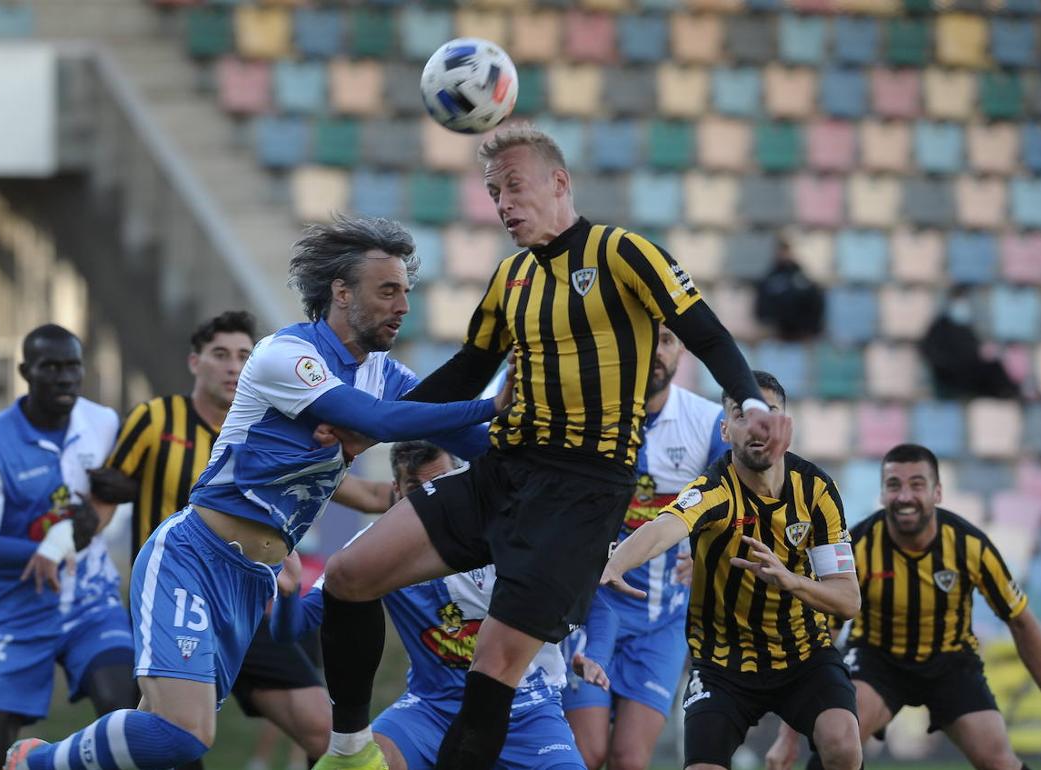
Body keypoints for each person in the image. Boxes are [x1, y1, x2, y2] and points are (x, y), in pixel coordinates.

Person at [312, 123, 780, 770]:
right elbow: (467, 373)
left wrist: (750, 401)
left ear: (560, 183)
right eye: (492, 192)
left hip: (582, 495)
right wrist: (373, 424)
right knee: (349, 576)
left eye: (514, 186)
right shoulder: (511, 278)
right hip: (502, 472)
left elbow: (707, 332)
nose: (502, 204)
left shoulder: (623, 253)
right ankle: (349, 752)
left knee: (493, 666)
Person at [4, 214, 510, 770]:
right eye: (387, 291)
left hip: (251, 582)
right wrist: (492, 402)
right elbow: (384, 420)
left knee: (163, 742)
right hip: (194, 558)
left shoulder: (382, 371)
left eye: (406, 293)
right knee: (183, 736)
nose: (403, 307)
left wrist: (537, 455)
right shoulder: (286, 355)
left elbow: (453, 430)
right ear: (342, 293)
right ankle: (37, 762)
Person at [87, 310, 331, 770]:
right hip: (176, 596)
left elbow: (346, 488)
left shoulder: (269, 430)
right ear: (195, 362)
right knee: (175, 746)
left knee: (324, 728)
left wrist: (406, 499)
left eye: (244, 356)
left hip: (247, 603)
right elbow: (105, 494)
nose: (234, 367)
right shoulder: (156, 418)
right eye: (220, 355)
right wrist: (64, 545)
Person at [272, 441, 606, 770]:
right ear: (397, 492)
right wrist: (287, 594)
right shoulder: (370, 555)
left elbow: (602, 604)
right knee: (369, 764)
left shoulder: (517, 536)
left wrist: (597, 655)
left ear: (462, 481)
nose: (432, 502)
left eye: (441, 485)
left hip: (528, 713)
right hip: (431, 712)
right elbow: (291, 630)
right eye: (417, 490)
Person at [600, 371, 863, 770]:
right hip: (723, 664)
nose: (757, 426)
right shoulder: (713, 489)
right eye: (742, 415)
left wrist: (790, 580)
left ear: (785, 425)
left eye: (768, 414)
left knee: (842, 742)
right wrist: (615, 564)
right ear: (725, 429)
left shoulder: (816, 490)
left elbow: (848, 600)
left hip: (803, 656)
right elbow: (662, 528)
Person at [764, 443, 1041, 770]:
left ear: (937, 493)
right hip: (878, 660)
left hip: (951, 660)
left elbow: (1022, 623)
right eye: (894, 485)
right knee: (836, 743)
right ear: (883, 494)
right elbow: (820, 639)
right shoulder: (858, 545)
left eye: (917, 485)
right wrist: (787, 738)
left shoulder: (969, 545)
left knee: (999, 760)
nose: (904, 496)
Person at [0, 324, 136, 770]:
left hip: (92, 602)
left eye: (72, 366)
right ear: (24, 372)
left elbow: (128, 483)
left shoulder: (104, 422)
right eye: (50, 367)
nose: (64, 378)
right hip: (18, 612)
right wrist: (39, 554)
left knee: (126, 712)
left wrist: (127, 486)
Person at [561, 324, 730, 770]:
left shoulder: (706, 422)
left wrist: (706, 548)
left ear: (682, 352)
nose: (655, 350)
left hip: (662, 621)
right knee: (587, 754)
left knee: (631, 760)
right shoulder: (586, 417)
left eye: (668, 339)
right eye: (642, 335)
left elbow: (737, 502)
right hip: (589, 609)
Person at [919, 285, 1021, 399]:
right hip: (949, 376)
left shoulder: (967, 327)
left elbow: (974, 351)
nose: (963, 306)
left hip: (970, 375)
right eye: (959, 301)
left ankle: (1011, 395)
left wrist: (982, 353)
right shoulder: (940, 327)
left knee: (994, 366)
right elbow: (930, 352)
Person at [752, 237, 825, 342]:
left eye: (786, 251)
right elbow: (762, 307)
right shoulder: (769, 278)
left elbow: (813, 299)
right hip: (778, 332)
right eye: (781, 251)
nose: (784, 254)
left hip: (801, 331)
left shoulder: (801, 275)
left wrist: (811, 328)